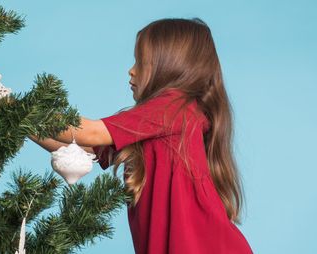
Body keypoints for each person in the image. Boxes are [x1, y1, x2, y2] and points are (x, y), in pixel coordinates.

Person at [29, 18, 254, 254]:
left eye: (141, 61)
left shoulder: (173, 109)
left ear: (168, 66)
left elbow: (88, 132)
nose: (131, 70)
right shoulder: (156, 124)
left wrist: (19, 108)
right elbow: (73, 148)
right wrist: (14, 120)